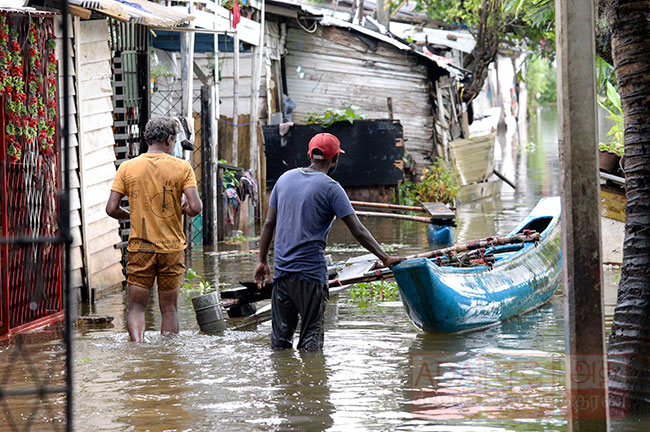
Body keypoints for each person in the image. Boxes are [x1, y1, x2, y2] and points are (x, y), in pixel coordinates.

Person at [254, 132, 403, 351]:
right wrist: (386, 257)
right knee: (311, 339)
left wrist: (262, 261)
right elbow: (358, 231)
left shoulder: (284, 180)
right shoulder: (332, 188)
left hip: (282, 274)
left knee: (280, 344)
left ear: (309, 154)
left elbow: (268, 225)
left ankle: (283, 382)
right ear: (335, 159)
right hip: (310, 276)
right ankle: (313, 383)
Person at [106, 116, 202, 342]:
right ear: (170, 140)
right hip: (171, 249)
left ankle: (138, 350)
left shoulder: (127, 167)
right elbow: (196, 207)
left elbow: (111, 208)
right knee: (169, 308)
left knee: (136, 307)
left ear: (147, 139)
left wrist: (132, 214)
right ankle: (167, 358)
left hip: (141, 248)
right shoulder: (182, 167)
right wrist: (185, 208)